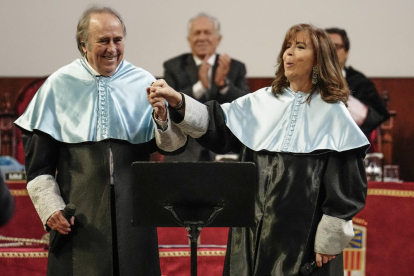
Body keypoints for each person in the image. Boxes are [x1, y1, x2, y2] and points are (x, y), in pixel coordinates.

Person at [148, 24, 369, 275]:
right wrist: (177, 99)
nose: (288, 53)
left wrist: (330, 240)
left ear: (319, 59)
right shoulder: (261, 102)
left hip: (304, 240)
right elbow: (214, 123)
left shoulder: (334, 115)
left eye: (299, 47)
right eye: (287, 46)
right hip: (250, 230)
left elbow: (347, 187)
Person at [14, 6, 185, 276]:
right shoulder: (58, 86)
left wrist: (163, 117)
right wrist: (51, 209)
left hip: (134, 216)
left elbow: (169, 148)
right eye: (103, 40)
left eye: (117, 40)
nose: (112, 48)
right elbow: (38, 168)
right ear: (83, 44)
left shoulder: (144, 82)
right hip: (79, 217)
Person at [162, 13, 250, 161]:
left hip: (225, 152)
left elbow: (246, 106)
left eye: (207, 32)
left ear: (218, 39)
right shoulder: (174, 67)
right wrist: (200, 87)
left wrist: (223, 85)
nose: (202, 38)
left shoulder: (235, 68)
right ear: (189, 40)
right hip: (185, 153)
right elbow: (167, 105)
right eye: (197, 33)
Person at [325, 28, 389, 138]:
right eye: (325, 47)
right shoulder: (305, 79)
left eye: (336, 47)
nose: (330, 51)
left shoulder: (360, 82)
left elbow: (376, 116)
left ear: (346, 52)